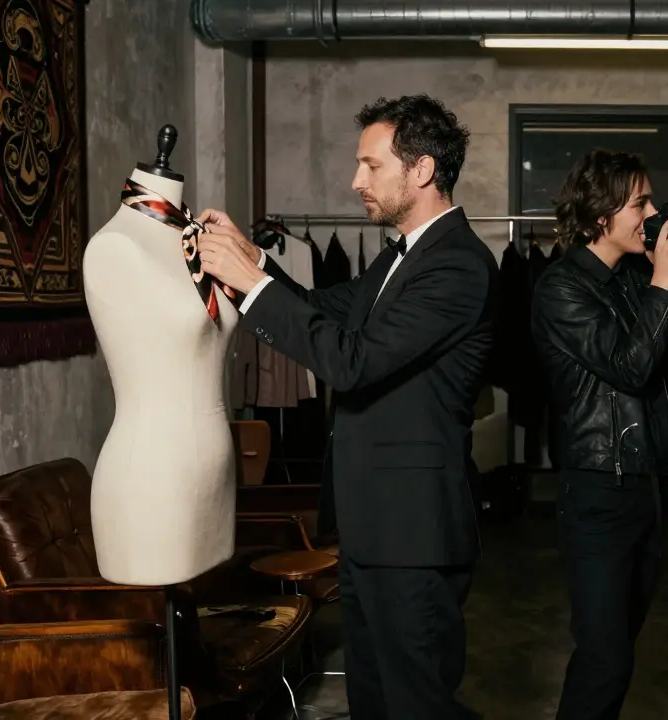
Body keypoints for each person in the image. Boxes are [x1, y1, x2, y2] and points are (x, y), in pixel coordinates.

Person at [196, 94, 497, 719]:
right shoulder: (401, 255)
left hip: (414, 530)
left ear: (421, 170)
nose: (356, 180)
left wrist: (251, 285)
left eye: (371, 165)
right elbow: (323, 309)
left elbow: (351, 361)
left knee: (417, 704)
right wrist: (253, 260)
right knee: (374, 699)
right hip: (372, 523)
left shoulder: (459, 265)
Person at [531, 149, 668, 720]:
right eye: (639, 204)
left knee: (620, 648)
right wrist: (664, 278)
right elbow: (630, 367)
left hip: (647, 486)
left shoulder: (633, 278)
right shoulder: (560, 287)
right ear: (601, 214)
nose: (649, 214)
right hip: (598, 488)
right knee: (605, 658)